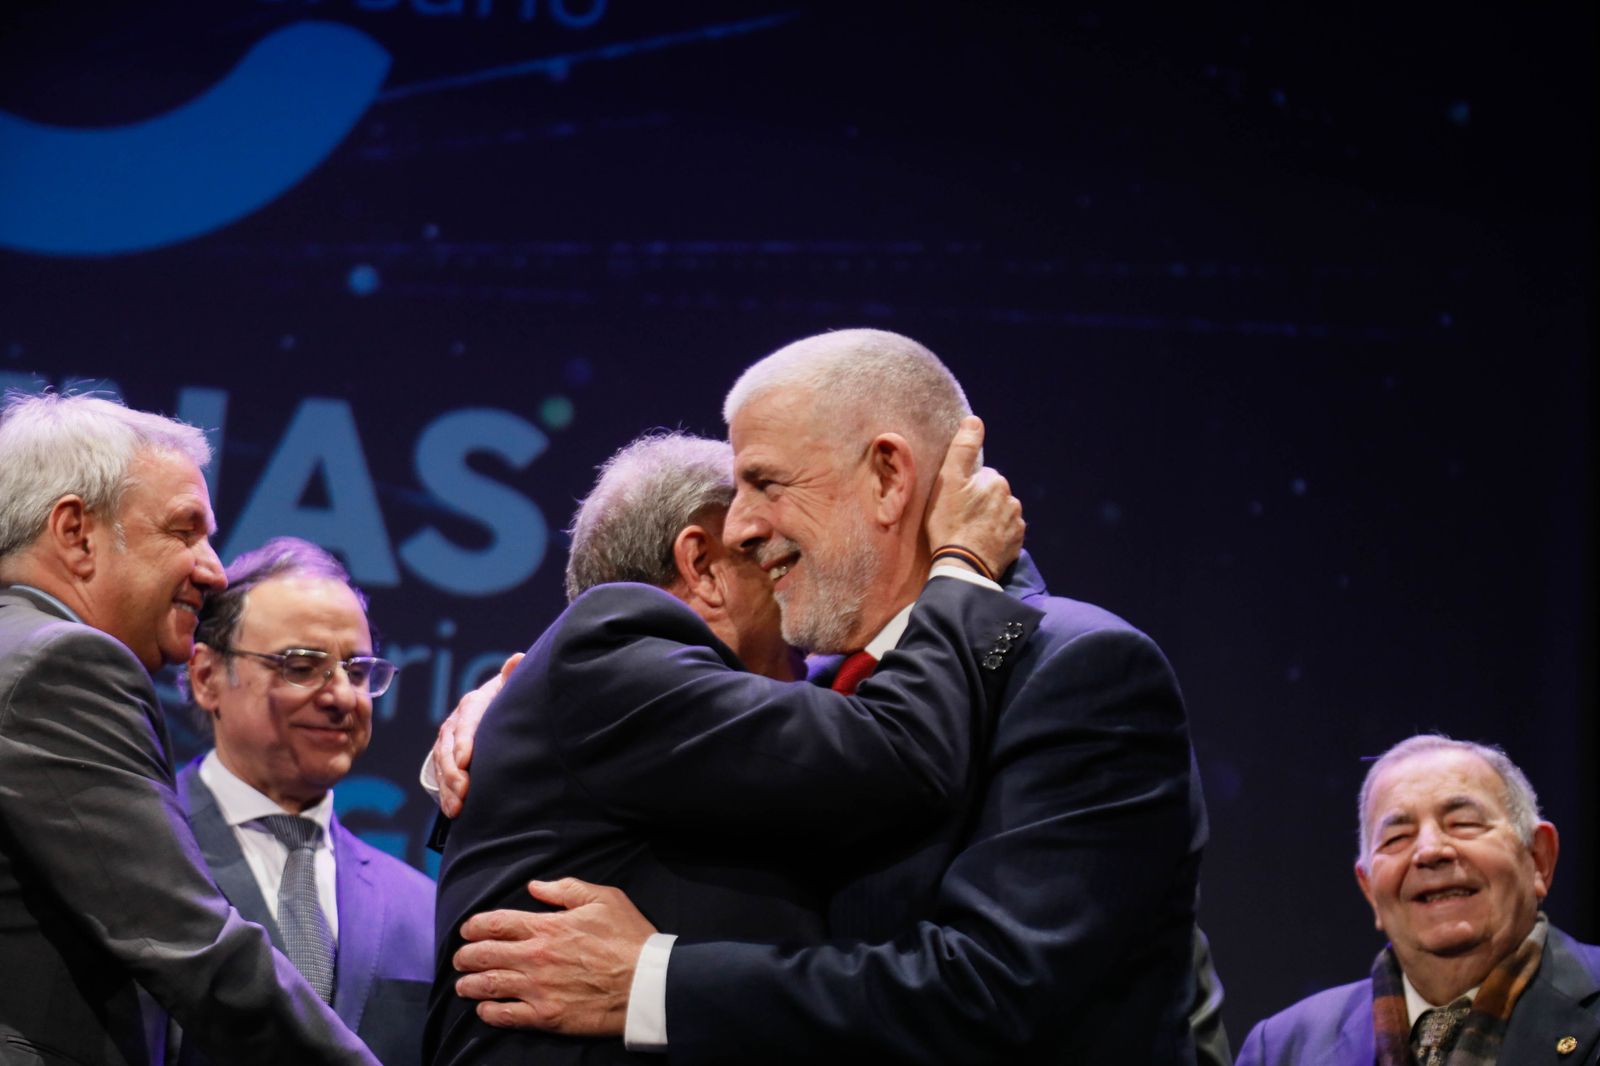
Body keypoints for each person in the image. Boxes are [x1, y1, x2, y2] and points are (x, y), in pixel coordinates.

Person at [441, 330, 1219, 1064]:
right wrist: (502, 712)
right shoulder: (814, 692)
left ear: (888, 476)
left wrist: (655, 982)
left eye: (765, 483)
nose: (741, 526)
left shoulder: (1081, 672)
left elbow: (997, 994)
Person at [426, 424, 1035, 1064]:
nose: (794, 575)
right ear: (702, 564)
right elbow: (898, 755)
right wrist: (962, 570)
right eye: (768, 553)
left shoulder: (630, 696)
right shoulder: (611, 646)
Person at [0, 392, 378, 1065]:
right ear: (75, 533)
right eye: (183, 531)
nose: (214, 570)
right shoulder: (63, 663)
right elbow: (184, 941)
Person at [180, 537, 434, 1065]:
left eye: (358, 671)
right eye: (300, 665)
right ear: (207, 678)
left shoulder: (421, 909)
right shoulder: (138, 846)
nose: (342, 696)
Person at [1236, 734, 1600, 1066]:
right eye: (1396, 838)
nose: (1429, 851)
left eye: (1464, 823)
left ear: (1538, 858)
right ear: (1369, 890)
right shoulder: (1283, 1049)